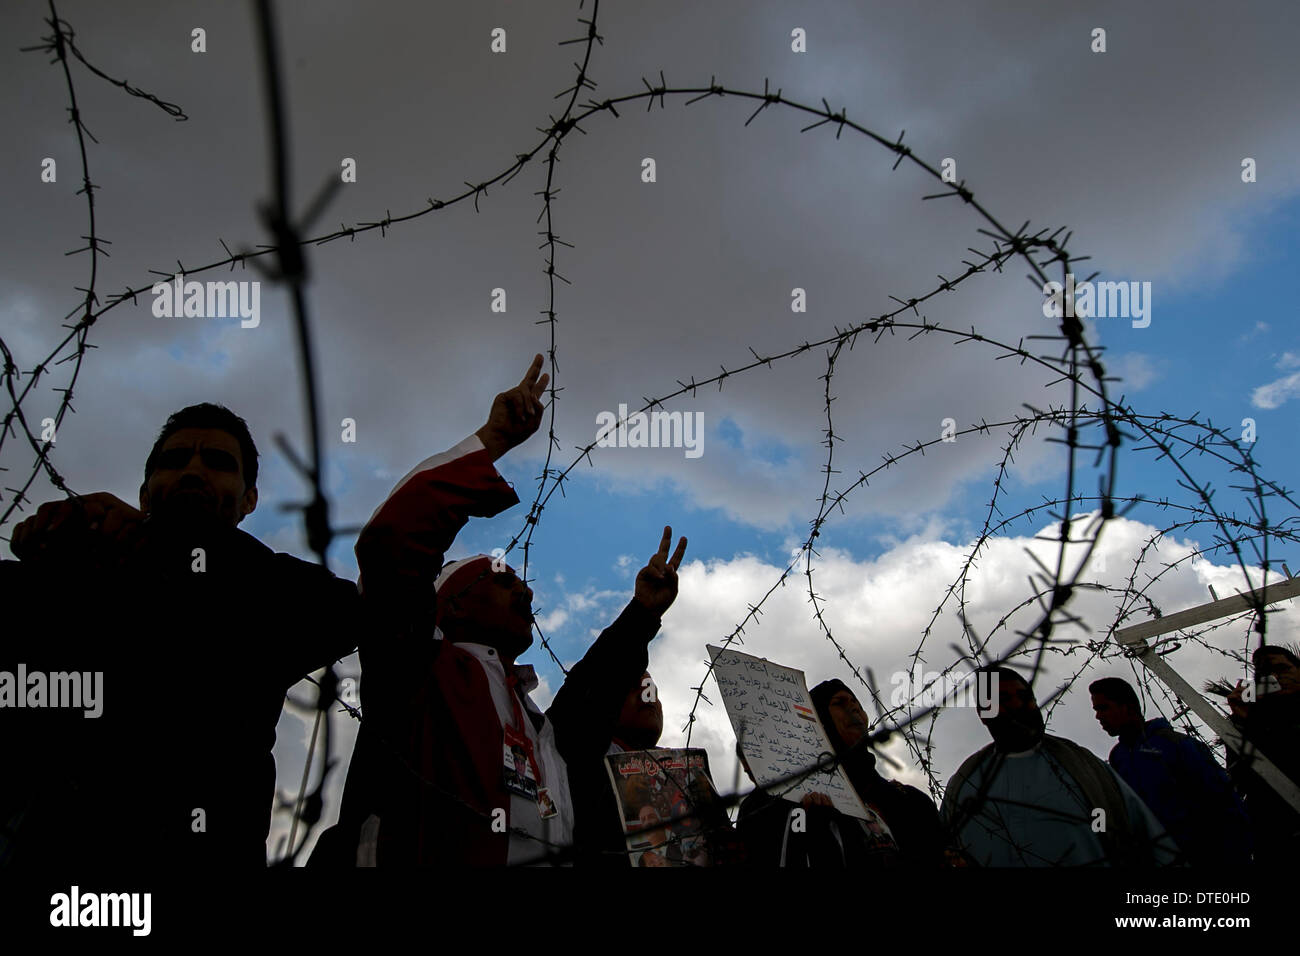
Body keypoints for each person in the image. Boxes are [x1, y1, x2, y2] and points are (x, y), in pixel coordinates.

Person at [310, 355, 688, 866]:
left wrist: (642, 613)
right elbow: (394, 543)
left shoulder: (541, 726)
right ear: (453, 603)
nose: (527, 593)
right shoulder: (419, 671)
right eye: (503, 579)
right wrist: (491, 443)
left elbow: (592, 691)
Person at [1, 403, 360, 867]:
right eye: (174, 461)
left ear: (249, 500)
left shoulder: (274, 594)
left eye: (217, 463)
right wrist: (54, 550)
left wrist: (158, 541)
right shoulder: (80, 576)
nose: (193, 471)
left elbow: (348, 613)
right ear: (144, 494)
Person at [941, 666, 1178, 867]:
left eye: (1025, 698)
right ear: (983, 713)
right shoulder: (966, 784)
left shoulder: (1083, 766)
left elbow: (1147, 836)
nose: (1018, 706)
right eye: (1003, 700)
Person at [1089, 676, 1251, 865]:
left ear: (1127, 706)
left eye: (1103, 708)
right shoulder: (1118, 757)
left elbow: (1223, 802)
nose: (1098, 716)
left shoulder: (1177, 745)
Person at [810, 679, 947, 867]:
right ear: (821, 720)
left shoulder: (912, 802)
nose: (854, 709)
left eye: (856, 703)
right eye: (839, 704)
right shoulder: (806, 803)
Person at [1223, 645, 1300, 865]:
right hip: (1277, 840)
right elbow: (1242, 779)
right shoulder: (1251, 720)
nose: (1276, 677)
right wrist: (1242, 722)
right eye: (1266, 674)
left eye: (1282, 669)